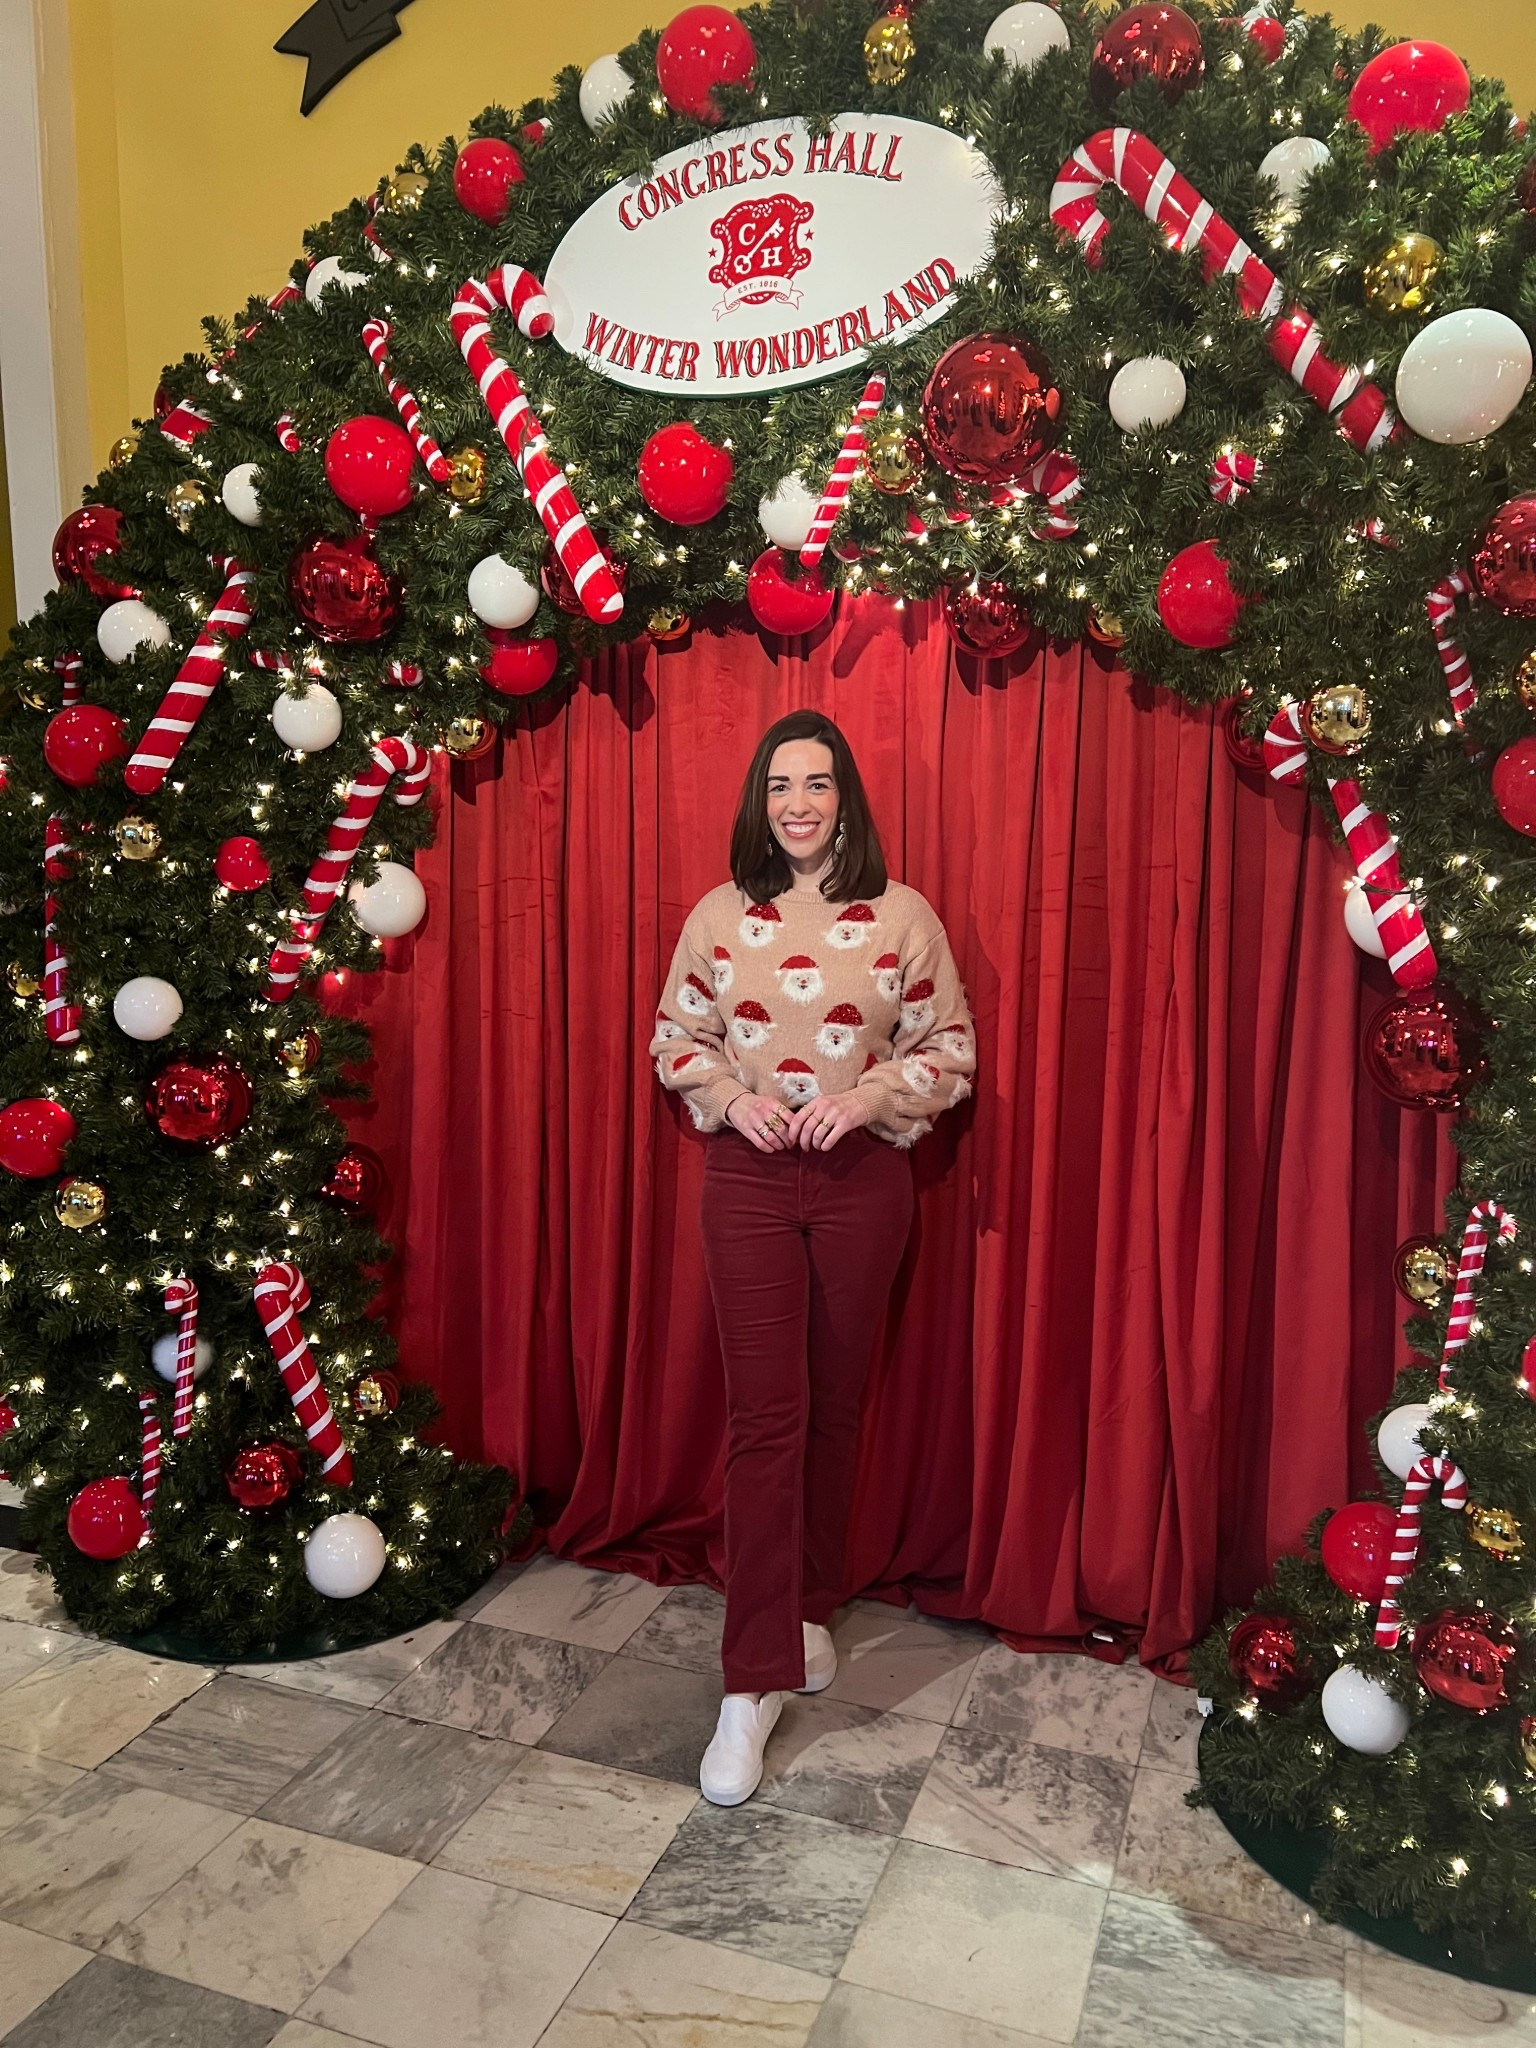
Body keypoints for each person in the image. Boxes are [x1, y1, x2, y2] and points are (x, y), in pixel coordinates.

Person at [648, 709, 976, 1805]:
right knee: (766, 1419)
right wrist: (735, 1098)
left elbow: (951, 1051)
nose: (797, 802)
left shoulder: (902, 915)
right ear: (759, 798)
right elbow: (674, 1039)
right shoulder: (718, 913)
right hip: (746, 1182)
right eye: (780, 783)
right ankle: (750, 1683)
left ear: (846, 799)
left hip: (861, 1186)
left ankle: (806, 1610)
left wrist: (870, 1095)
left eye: (818, 783)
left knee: (838, 1408)